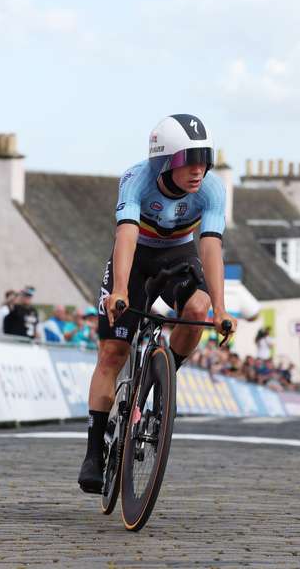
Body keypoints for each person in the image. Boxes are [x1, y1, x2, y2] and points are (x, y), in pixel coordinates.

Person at [78, 114, 236, 494]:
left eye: (204, 160)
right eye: (188, 161)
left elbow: (211, 247)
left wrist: (221, 308)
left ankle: (161, 379)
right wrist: (120, 290)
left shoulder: (212, 190)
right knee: (112, 353)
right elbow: (126, 236)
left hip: (178, 257)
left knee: (196, 310)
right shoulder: (136, 180)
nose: (198, 171)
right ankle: (94, 450)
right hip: (135, 258)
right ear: (164, 161)